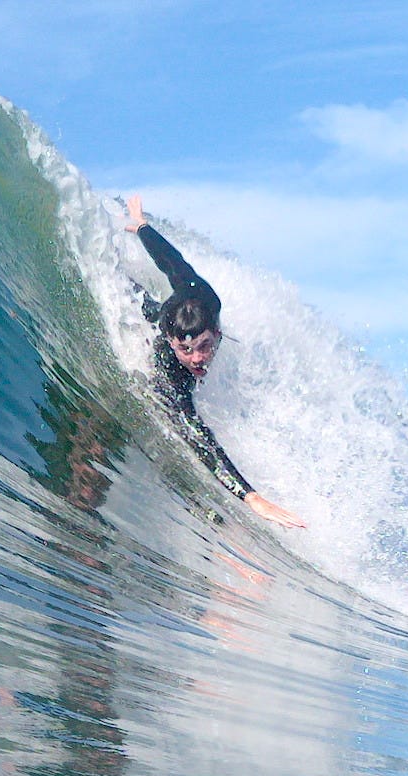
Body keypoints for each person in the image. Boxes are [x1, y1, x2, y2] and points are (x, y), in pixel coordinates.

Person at [124, 195, 305, 529]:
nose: (198, 358)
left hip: (179, 312)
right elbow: (198, 434)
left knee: (169, 291)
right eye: (188, 351)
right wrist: (251, 497)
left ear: (216, 331)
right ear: (173, 344)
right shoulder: (171, 362)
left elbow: (172, 262)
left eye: (205, 346)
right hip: (162, 321)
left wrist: (141, 225)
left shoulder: (205, 297)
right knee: (174, 421)